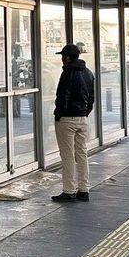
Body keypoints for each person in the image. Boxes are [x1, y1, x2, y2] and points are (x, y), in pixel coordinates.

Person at [51, 44, 96, 203]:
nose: (62, 59)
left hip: (67, 119)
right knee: (82, 154)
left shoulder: (67, 73)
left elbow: (62, 96)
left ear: (68, 57)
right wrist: (84, 113)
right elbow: (91, 98)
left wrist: (59, 114)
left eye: (63, 56)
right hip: (82, 118)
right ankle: (84, 190)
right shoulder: (88, 73)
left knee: (67, 155)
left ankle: (69, 191)